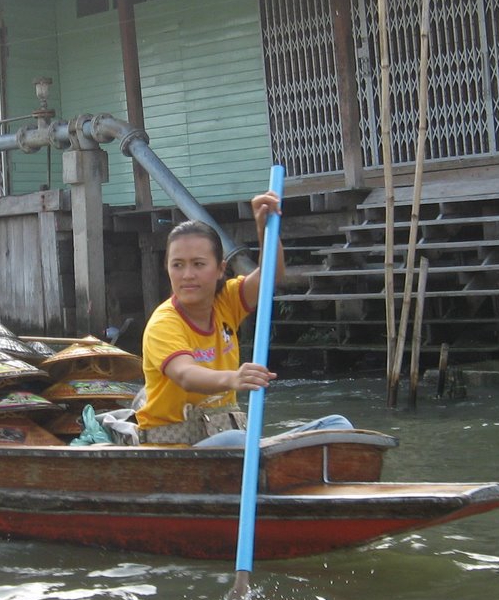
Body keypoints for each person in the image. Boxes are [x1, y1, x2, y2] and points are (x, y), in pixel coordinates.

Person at [137, 189, 349, 447]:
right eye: (177, 265)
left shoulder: (226, 300)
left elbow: (270, 276)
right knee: (238, 440)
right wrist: (233, 378)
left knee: (338, 426)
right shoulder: (164, 323)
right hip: (179, 451)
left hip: (232, 442)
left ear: (220, 270)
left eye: (199, 264)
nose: (187, 275)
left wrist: (265, 230)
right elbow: (185, 374)